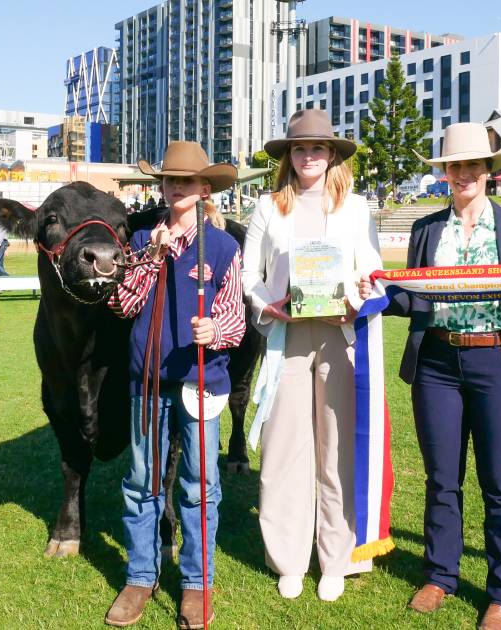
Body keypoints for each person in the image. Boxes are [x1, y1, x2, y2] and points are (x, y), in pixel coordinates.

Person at [358, 123, 501, 630]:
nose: (463, 174)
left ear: (489, 172)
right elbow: (410, 299)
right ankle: (440, 576)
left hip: (500, 363)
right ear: (444, 174)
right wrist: (373, 289)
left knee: (500, 484)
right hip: (437, 364)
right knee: (442, 481)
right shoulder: (425, 230)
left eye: (472, 166)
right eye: (454, 166)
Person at [241, 108, 382, 602]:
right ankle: (288, 556)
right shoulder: (267, 206)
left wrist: (360, 292)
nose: (308, 157)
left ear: (332, 155)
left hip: (340, 338)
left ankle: (336, 558)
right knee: (284, 450)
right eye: (300, 149)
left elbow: (372, 269)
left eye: (317, 148)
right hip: (287, 340)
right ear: (289, 156)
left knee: (337, 449)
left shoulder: (357, 208)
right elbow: (248, 274)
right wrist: (267, 303)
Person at [104, 141, 244, 629]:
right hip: (147, 380)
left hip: (201, 383)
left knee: (199, 486)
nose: (176, 186)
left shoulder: (224, 248)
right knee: (142, 483)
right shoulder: (144, 238)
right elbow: (123, 305)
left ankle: (196, 583)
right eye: (169, 179)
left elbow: (235, 320)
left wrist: (216, 331)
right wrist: (152, 258)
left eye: (186, 180)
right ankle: (141, 576)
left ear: (205, 188)